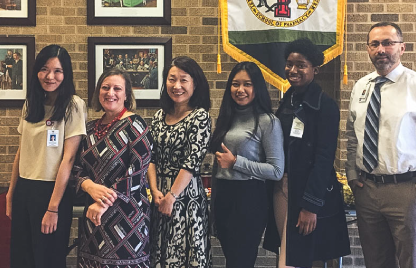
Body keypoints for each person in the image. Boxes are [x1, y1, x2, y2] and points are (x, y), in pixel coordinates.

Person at [345, 22, 416, 268]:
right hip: (367, 189)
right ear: (368, 49)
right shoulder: (361, 86)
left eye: (388, 43)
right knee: (376, 262)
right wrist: (352, 175)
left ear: (402, 48)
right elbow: (353, 135)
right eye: (375, 44)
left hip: (406, 191)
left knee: (411, 263)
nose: (381, 49)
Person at [263, 38, 350, 268]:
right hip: (282, 188)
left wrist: (310, 206)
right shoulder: (287, 100)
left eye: (301, 65)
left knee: (302, 257)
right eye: (289, 64)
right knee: (287, 251)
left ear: (315, 70)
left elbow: (324, 158)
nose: (293, 70)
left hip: (306, 193)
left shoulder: (325, 105)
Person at [6, 45, 87, 268]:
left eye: (57, 71)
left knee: (47, 259)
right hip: (25, 189)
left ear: (66, 73)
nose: (50, 76)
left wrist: (52, 208)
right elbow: (21, 152)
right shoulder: (31, 104)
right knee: (22, 258)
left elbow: (68, 160)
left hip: (52, 192)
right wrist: (11, 194)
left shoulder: (74, 105)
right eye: (44, 69)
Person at [72, 68, 153, 268]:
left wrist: (104, 202)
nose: (110, 93)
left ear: (126, 95)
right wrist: (88, 186)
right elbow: (75, 168)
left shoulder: (136, 125)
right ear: (98, 92)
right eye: (105, 87)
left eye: (117, 88)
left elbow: (137, 172)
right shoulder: (89, 128)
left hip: (127, 219)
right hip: (94, 218)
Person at [210, 61, 284, 268]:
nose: (240, 90)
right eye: (235, 84)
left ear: (257, 88)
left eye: (247, 84)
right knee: (232, 259)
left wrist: (235, 162)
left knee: (240, 261)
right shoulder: (227, 118)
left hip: (249, 199)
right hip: (224, 196)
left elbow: (276, 171)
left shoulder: (268, 121)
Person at [148, 56, 212, 267]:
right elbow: (151, 157)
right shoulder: (158, 116)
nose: (177, 86)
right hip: (159, 197)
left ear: (195, 84)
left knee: (186, 257)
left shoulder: (200, 117)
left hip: (186, 198)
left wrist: (172, 197)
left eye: (183, 80)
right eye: (171, 79)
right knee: (159, 254)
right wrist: (155, 190)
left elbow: (192, 162)